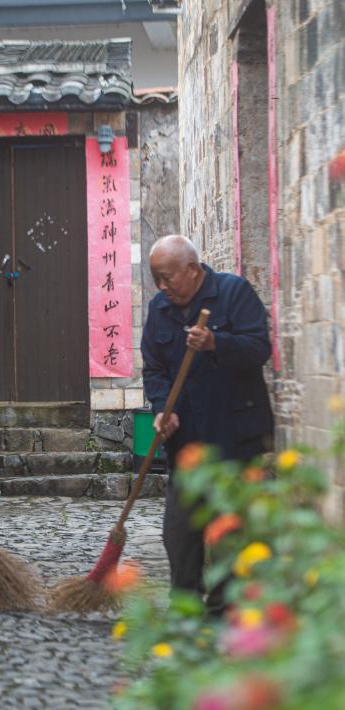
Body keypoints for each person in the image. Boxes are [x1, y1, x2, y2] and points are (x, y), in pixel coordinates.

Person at [141, 235, 274, 612]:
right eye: (155, 278)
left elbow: (259, 349)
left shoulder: (233, 293)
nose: (162, 286)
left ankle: (222, 610)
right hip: (188, 442)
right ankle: (185, 605)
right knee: (179, 531)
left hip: (236, 437)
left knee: (230, 531)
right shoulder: (159, 309)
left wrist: (217, 343)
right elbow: (154, 368)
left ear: (193, 270)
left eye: (167, 277)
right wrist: (162, 408)